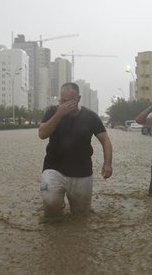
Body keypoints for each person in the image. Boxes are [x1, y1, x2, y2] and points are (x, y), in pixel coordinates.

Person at [38, 83, 113, 218]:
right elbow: (42, 134)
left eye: (69, 101)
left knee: (81, 217)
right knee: (51, 203)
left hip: (82, 172)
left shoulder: (90, 117)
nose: (65, 104)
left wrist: (107, 164)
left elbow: (105, 141)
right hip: (53, 168)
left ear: (78, 99)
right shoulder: (52, 112)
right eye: (62, 100)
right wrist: (59, 114)